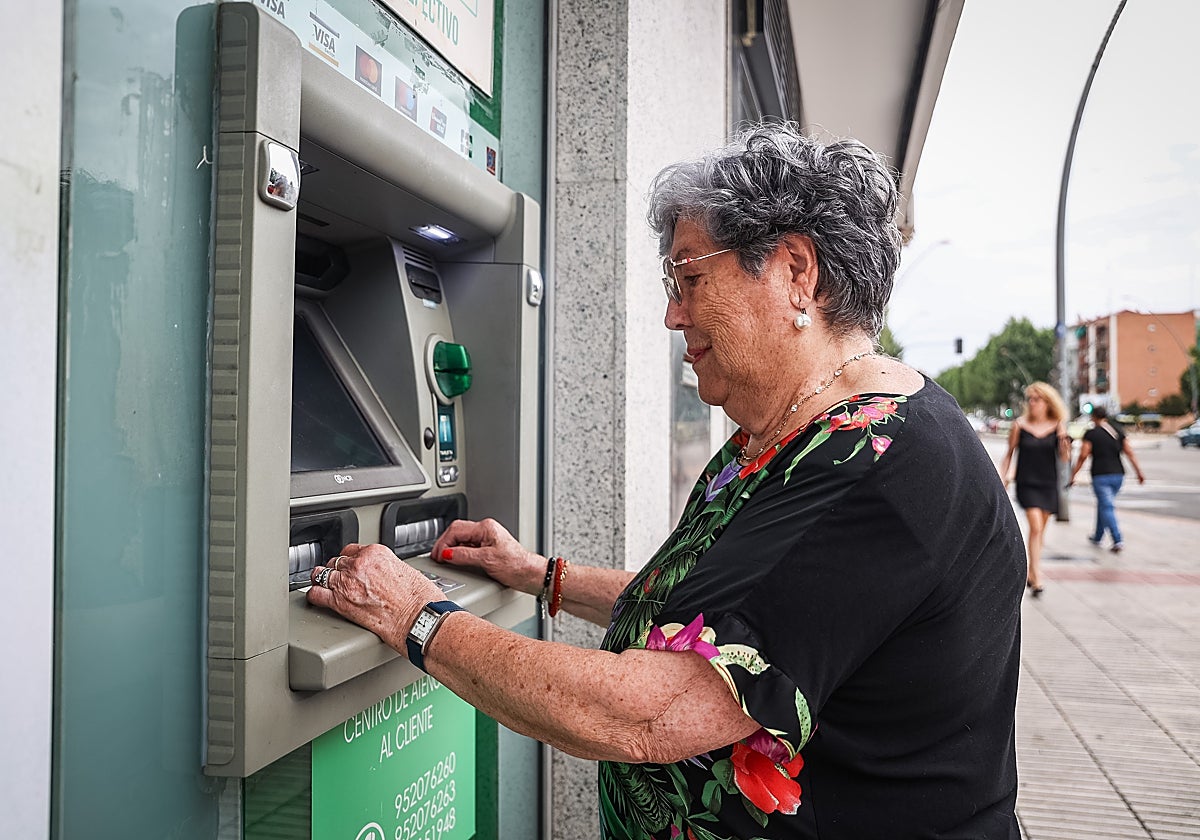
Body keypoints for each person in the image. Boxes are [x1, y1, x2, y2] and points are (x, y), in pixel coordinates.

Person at [307, 123, 1024, 839]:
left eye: (690, 279)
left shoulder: (882, 468)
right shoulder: (791, 434)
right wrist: (538, 575)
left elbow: (648, 713)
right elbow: (730, 625)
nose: (672, 314)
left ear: (796, 272)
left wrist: (416, 615)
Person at [999, 381, 1070, 597]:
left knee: (1040, 531)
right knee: (1036, 527)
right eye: (1030, 399)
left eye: (1037, 399)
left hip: (1048, 483)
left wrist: (1065, 447)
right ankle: (1037, 576)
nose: (1032, 403)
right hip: (1027, 483)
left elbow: (1064, 459)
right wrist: (1003, 477)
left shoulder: (1057, 425)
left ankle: (1032, 570)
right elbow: (1009, 454)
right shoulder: (1020, 426)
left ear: (1047, 402)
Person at [1068, 405, 1146, 552]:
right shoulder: (1117, 431)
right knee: (1104, 504)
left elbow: (1083, 455)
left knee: (1106, 507)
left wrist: (1073, 475)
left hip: (1100, 475)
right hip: (1118, 474)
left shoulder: (1091, 433)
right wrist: (1139, 472)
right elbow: (1129, 452)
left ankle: (1118, 540)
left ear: (1093, 417)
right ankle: (1098, 536)